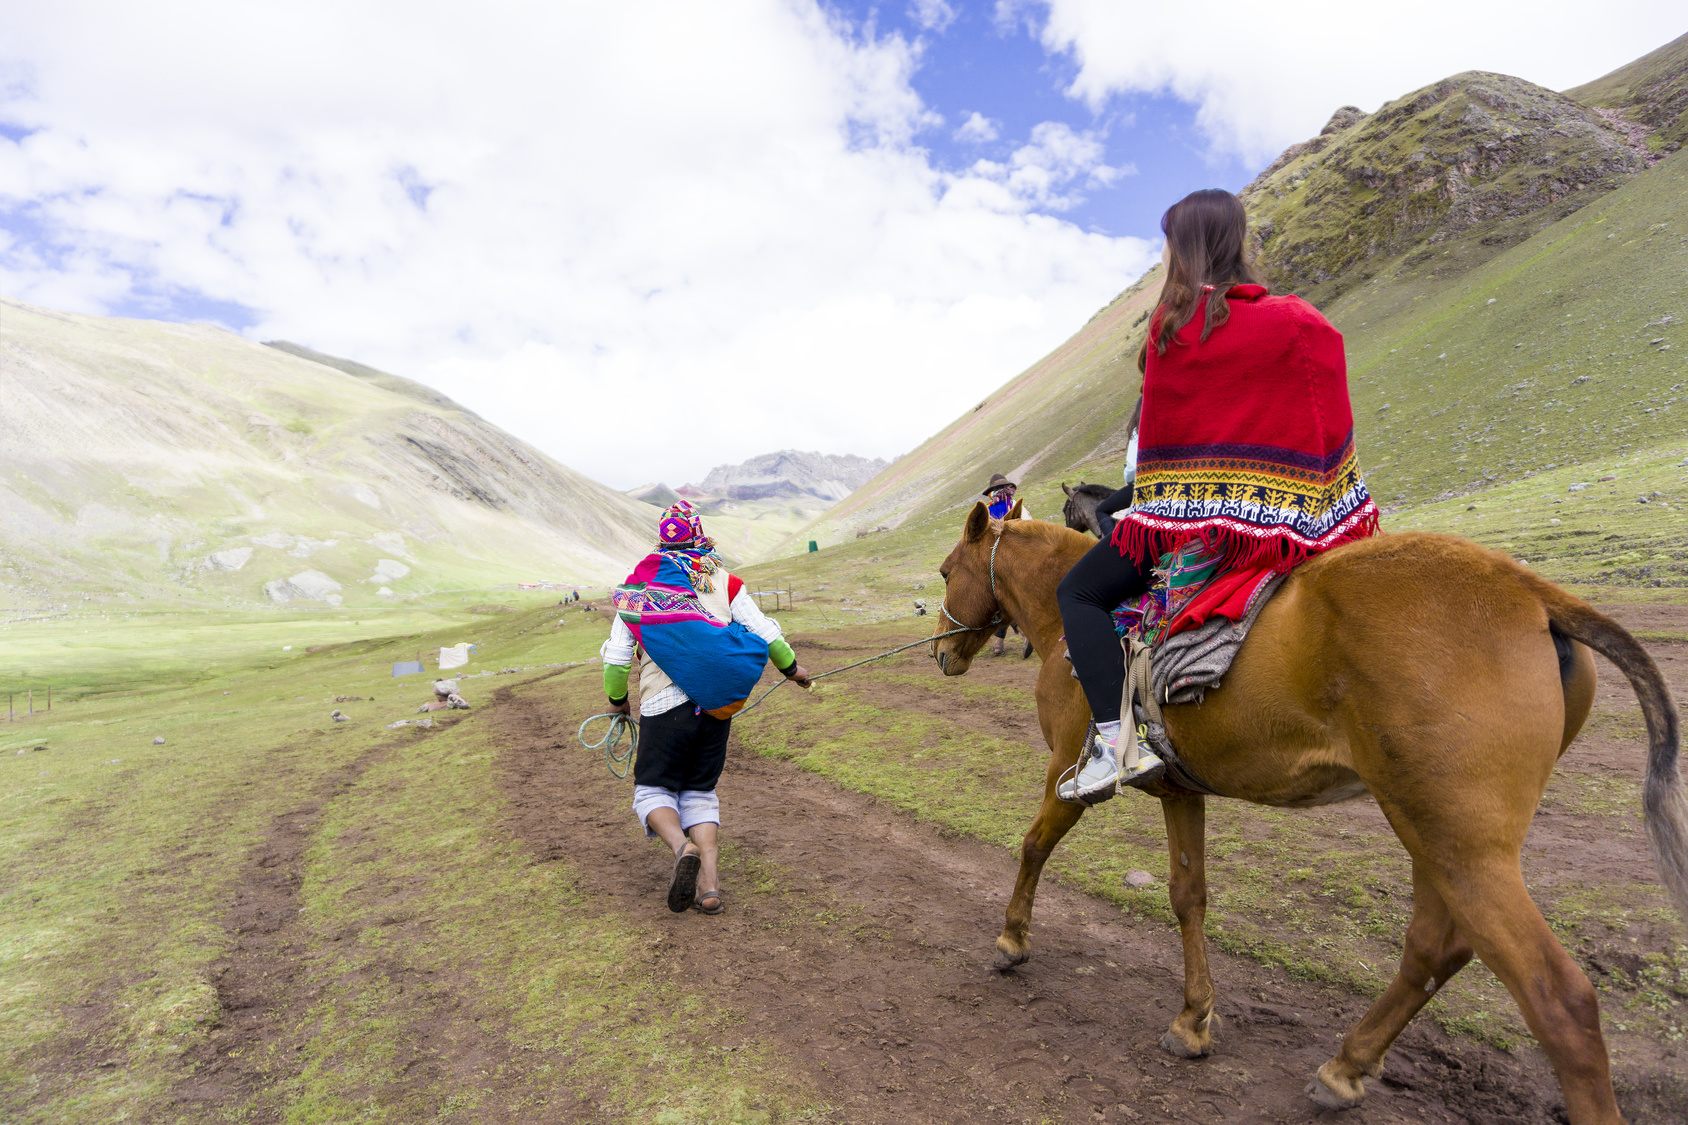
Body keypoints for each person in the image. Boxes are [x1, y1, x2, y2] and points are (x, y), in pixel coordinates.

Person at [1056, 189, 1379, 803]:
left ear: (1184, 248)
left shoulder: (1175, 328)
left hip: (1195, 528)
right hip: (1299, 520)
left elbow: (1168, 450)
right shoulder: (1299, 321)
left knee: (1078, 592)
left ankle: (1115, 744)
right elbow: (1319, 404)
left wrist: (1165, 502)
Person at [600, 500, 811, 914]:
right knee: (699, 790)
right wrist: (792, 670)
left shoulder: (639, 586)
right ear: (699, 535)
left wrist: (618, 702)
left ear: (662, 540)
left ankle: (682, 847)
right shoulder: (724, 582)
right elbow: (764, 631)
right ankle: (709, 887)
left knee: (652, 788)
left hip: (662, 705)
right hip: (715, 706)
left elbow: (617, 656)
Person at [980, 474, 1030, 656]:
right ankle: (1000, 641)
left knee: (1001, 599)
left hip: (1000, 560)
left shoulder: (989, 510)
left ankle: (1024, 633)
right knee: (1003, 599)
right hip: (1023, 559)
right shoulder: (1019, 507)